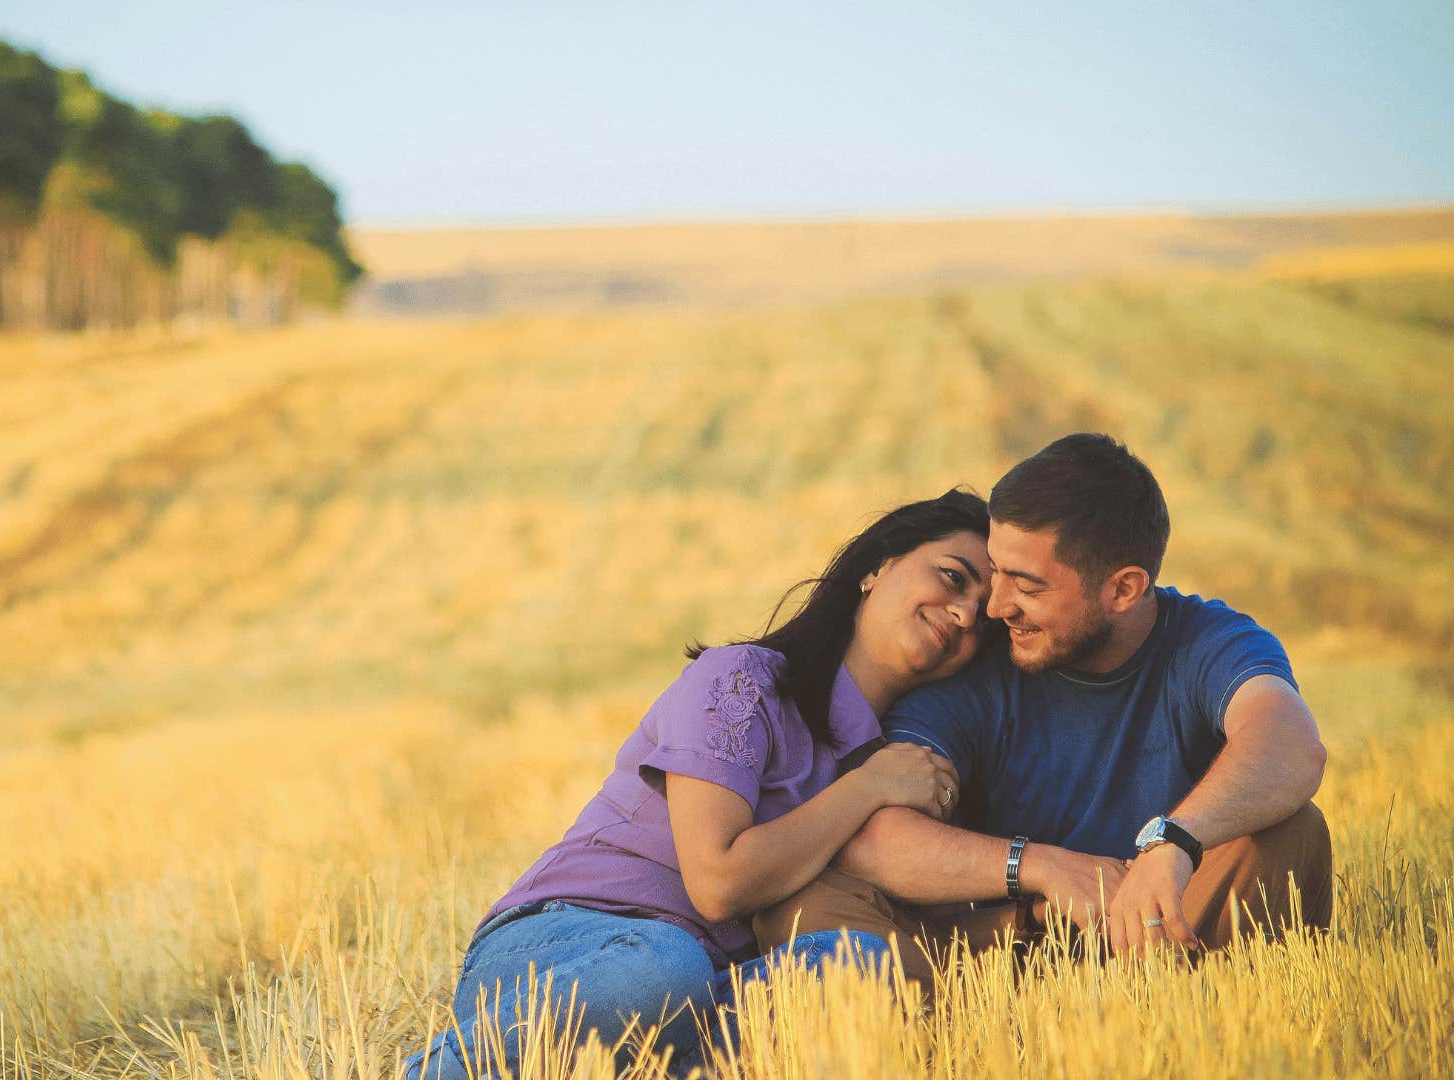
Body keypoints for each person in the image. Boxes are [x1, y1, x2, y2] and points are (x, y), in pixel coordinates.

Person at [403, 489, 999, 1078]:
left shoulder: (894, 760)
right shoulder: (742, 683)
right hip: (566, 950)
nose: (965, 613)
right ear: (879, 567)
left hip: (707, 996)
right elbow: (718, 882)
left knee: (860, 967)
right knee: (665, 968)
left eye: (984, 613)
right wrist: (869, 787)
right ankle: (442, 1068)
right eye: (952, 577)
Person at [756, 434, 1332, 977]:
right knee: (807, 906)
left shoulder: (1209, 642)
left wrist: (1174, 842)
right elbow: (877, 839)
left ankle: (1151, 1021)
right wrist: (1039, 868)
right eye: (995, 572)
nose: (996, 605)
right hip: (1009, 945)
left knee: (1291, 831)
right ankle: (970, 1032)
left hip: (1159, 936)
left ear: (1123, 590)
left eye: (1027, 585)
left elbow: (1291, 744)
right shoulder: (975, 664)